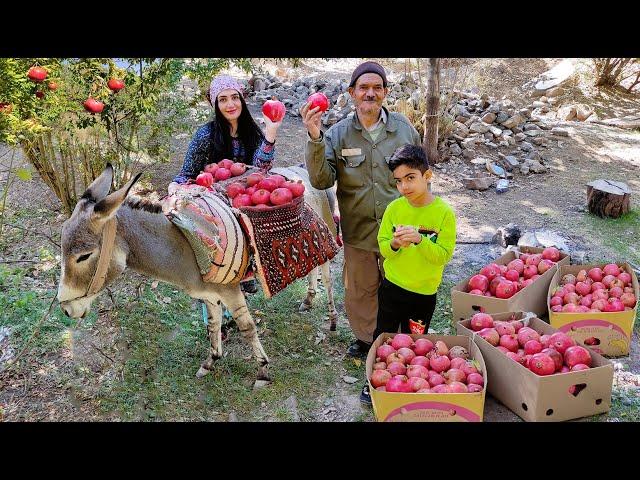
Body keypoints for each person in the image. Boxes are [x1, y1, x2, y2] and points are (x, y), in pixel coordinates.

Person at [301, 61, 422, 361]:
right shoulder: (338, 134)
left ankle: (402, 337)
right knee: (360, 289)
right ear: (352, 93)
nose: (370, 93)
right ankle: (368, 340)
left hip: (400, 228)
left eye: (377, 88)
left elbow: (420, 173)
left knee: (402, 284)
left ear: (385, 93)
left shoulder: (403, 129)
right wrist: (315, 137)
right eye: (363, 88)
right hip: (359, 229)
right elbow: (321, 179)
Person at [169, 74, 283, 295]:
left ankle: (247, 273)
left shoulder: (253, 132)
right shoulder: (205, 135)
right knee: (216, 271)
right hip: (215, 207)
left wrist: (271, 133)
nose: (230, 104)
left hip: (246, 202)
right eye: (223, 99)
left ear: (242, 99)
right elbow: (186, 173)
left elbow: (261, 171)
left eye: (234, 98)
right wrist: (175, 188)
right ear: (215, 104)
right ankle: (214, 311)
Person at [361, 144, 457, 404]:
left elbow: (443, 255)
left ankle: (408, 383)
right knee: (384, 335)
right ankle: (375, 382)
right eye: (399, 181)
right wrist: (393, 245)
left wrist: (420, 240)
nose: (404, 187)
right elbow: (383, 246)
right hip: (392, 288)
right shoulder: (394, 209)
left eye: (411, 178)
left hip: (424, 295)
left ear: (427, 176)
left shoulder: (444, 214)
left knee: (415, 340)